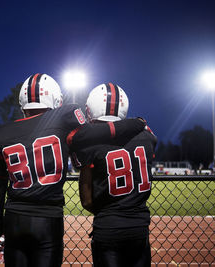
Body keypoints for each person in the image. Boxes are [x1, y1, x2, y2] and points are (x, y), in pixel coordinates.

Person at [0, 74, 147, 267]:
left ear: (22, 103)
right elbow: (97, 132)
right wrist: (137, 123)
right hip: (48, 219)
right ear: (55, 99)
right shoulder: (64, 116)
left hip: (14, 219)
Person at [75, 83, 157, 267]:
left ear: (91, 109)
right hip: (139, 227)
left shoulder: (90, 143)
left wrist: (108, 215)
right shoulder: (148, 137)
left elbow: (86, 200)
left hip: (107, 227)